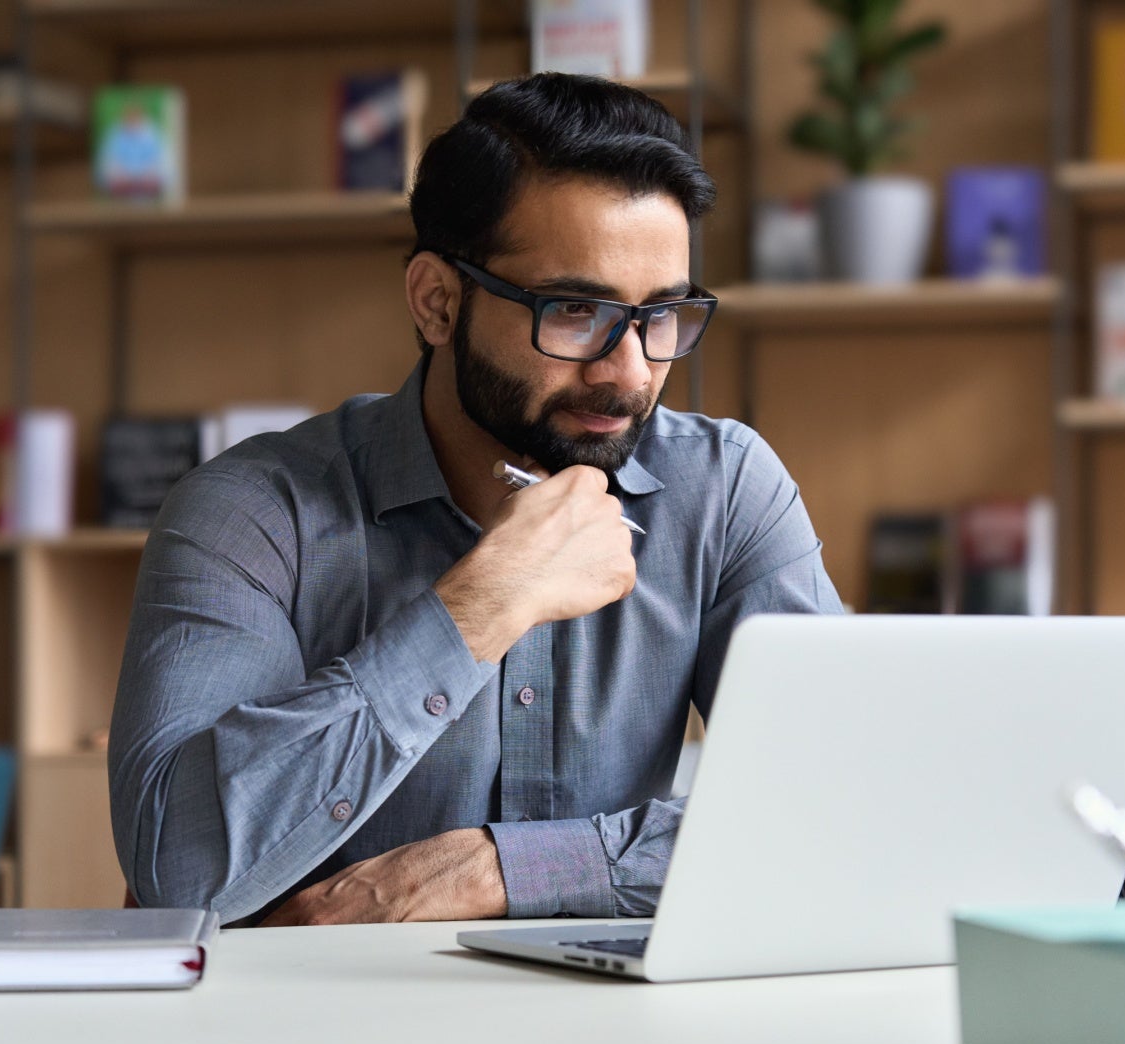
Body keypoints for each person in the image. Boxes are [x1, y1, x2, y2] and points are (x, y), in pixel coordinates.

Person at [108, 73, 844, 928]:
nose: (633, 372)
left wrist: (497, 870)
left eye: (663, 315)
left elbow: (844, 806)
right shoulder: (249, 513)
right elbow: (179, 871)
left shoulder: (724, 491)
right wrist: (479, 606)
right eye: (575, 311)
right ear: (436, 302)